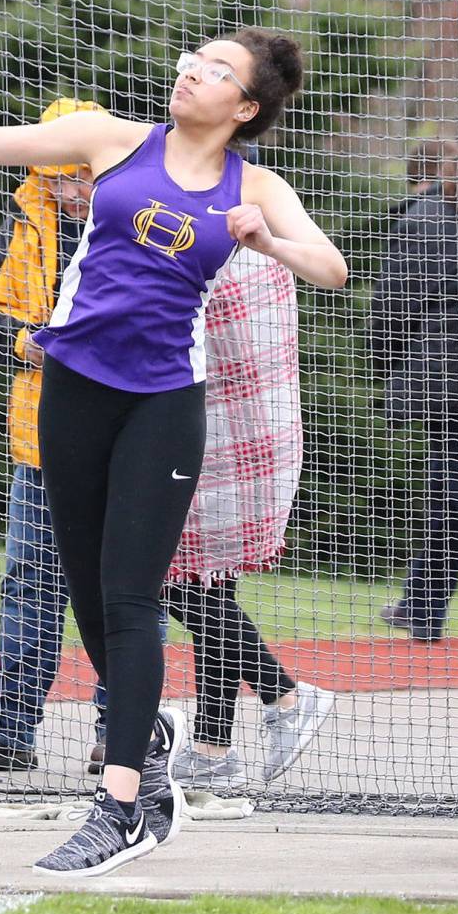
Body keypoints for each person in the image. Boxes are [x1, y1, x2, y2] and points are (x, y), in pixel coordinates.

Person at [0, 28, 348, 878]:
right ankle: (144, 729)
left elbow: (330, 267)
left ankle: (123, 807)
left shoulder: (254, 186)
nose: (189, 74)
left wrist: (267, 241)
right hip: (72, 391)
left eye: (214, 71)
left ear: (244, 106)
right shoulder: (111, 140)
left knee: (130, 597)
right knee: (88, 597)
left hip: (163, 405)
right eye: (190, 61)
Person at [0, 97, 113, 773]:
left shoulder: (137, 214)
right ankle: (7, 731)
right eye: (54, 179)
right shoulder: (31, 215)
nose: (67, 194)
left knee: (121, 586)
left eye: (76, 178)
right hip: (41, 431)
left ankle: (123, 732)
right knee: (29, 581)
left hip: (123, 430)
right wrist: (23, 340)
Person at [160, 246, 333, 790]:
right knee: (208, 589)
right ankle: (213, 750)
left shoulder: (216, 249)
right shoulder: (262, 251)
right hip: (252, 437)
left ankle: (286, 696)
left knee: (172, 583)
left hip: (214, 441)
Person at [371, 145, 458, 644]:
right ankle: (420, 605)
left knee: (452, 497)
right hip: (453, 380)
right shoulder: (428, 221)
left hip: (449, 383)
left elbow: (393, 309)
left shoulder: (423, 223)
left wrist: (389, 370)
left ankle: (423, 608)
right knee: (455, 497)